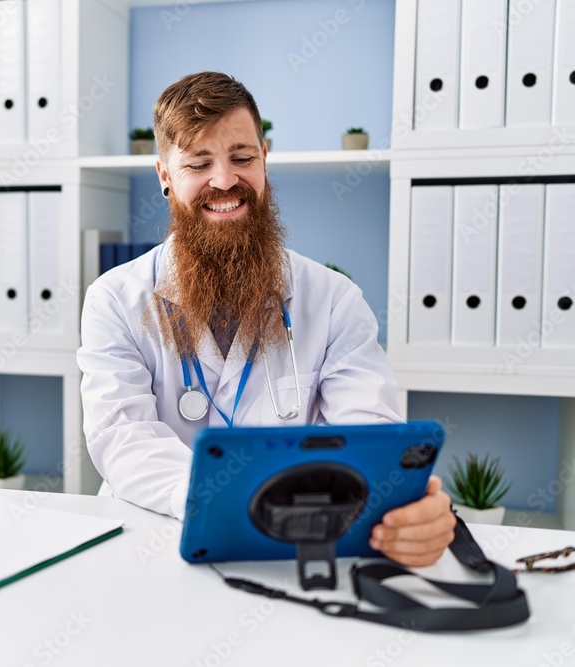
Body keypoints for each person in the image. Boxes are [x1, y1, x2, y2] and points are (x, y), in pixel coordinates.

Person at [77, 72, 456, 567]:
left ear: (264, 161)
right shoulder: (115, 298)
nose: (224, 180)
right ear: (165, 175)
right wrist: (215, 503)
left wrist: (406, 508)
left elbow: (370, 437)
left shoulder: (334, 299)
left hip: (290, 550)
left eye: (242, 158)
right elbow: (121, 437)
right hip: (150, 546)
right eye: (198, 163)